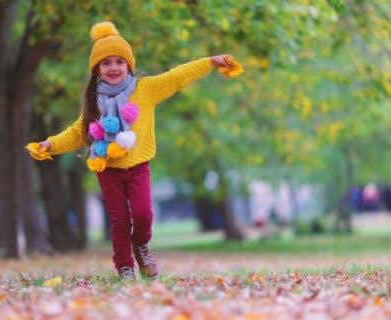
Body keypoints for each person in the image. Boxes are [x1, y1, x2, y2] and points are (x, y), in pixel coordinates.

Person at [27, 21, 240, 281]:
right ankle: (124, 267)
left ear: (128, 64)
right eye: (106, 63)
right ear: (97, 69)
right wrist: (50, 144)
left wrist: (210, 61)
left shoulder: (146, 89)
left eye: (119, 62)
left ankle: (142, 246)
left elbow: (176, 76)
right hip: (108, 169)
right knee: (119, 222)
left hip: (139, 166)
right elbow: (77, 133)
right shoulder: (95, 100)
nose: (113, 68)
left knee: (142, 215)